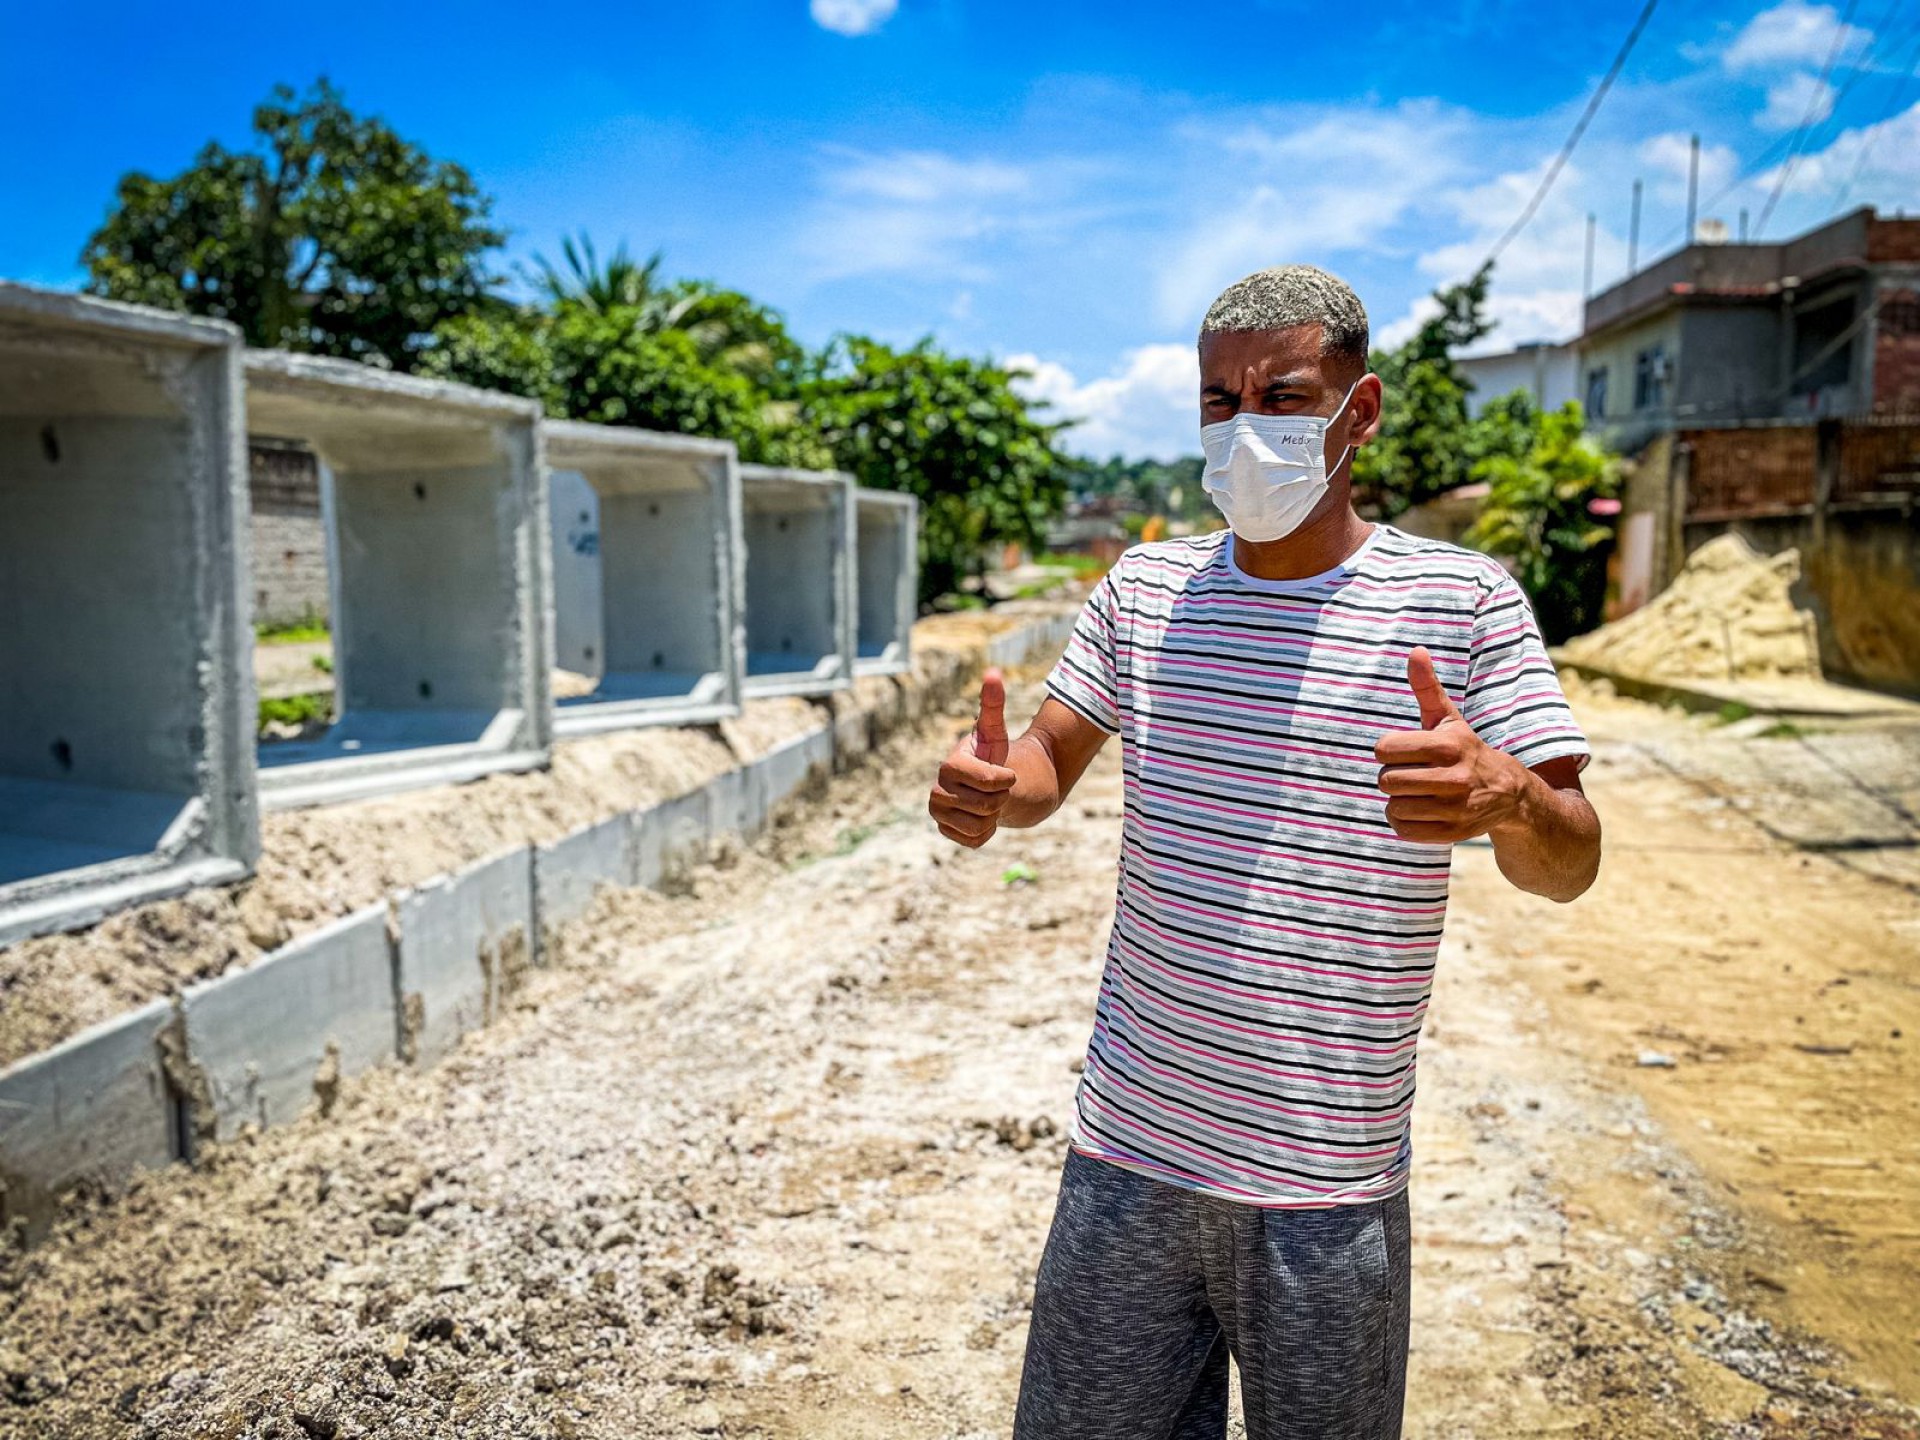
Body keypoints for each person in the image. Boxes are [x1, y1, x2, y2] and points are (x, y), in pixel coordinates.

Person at [927, 264, 1601, 1440]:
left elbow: (1573, 857)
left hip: (1327, 1187)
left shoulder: (1465, 602)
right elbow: (1045, 759)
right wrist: (993, 790)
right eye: (1220, 402)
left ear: (1360, 409)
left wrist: (1508, 800)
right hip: (1127, 1155)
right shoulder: (1146, 589)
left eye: (1283, 398)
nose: (1246, 429)